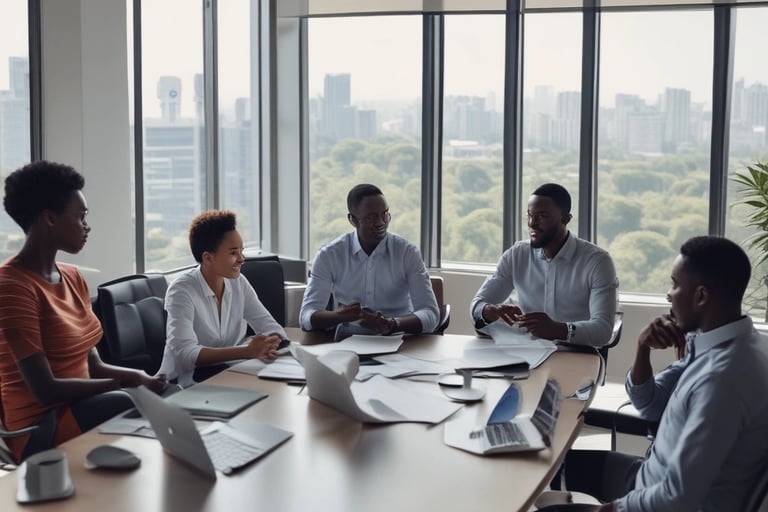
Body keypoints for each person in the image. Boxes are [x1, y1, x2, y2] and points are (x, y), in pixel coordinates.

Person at [556, 236, 768, 512]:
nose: (669, 294)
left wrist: (608, 510)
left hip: (657, 496)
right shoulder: (725, 345)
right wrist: (643, 347)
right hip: (649, 473)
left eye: (675, 284)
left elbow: (676, 498)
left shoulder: (722, 381)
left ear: (701, 296)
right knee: (552, 466)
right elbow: (648, 404)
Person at [0, 161, 167, 463]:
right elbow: (45, 391)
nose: (87, 226)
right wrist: (128, 385)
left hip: (84, 406)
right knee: (128, 403)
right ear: (50, 218)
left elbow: (93, 366)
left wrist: (141, 377)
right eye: (81, 216)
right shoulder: (12, 287)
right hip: (40, 427)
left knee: (168, 395)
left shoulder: (73, 276)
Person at [470, 183, 617, 346]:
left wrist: (558, 330)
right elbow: (477, 305)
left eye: (542, 216)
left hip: (575, 354)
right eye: (530, 215)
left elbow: (603, 330)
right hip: (524, 351)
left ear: (565, 219)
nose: (532, 223)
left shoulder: (597, 262)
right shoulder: (517, 255)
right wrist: (490, 311)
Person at [156, 210, 284, 388]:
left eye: (242, 251)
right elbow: (185, 354)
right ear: (208, 257)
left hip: (229, 373)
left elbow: (268, 325)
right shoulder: (181, 290)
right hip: (184, 383)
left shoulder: (239, 282)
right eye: (233, 253)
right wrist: (246, 351)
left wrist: (270, 343)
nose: (242, 259)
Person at [300, 184, 439, 336]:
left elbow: (431, 315)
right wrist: (339, 316)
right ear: (353, 220)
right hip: (348, 340)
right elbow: (306, 316)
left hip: (399, 338)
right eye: (371, 217)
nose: (380, 222)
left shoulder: (407, 253)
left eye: (384, 214)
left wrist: (393, 324)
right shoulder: (329, 255)